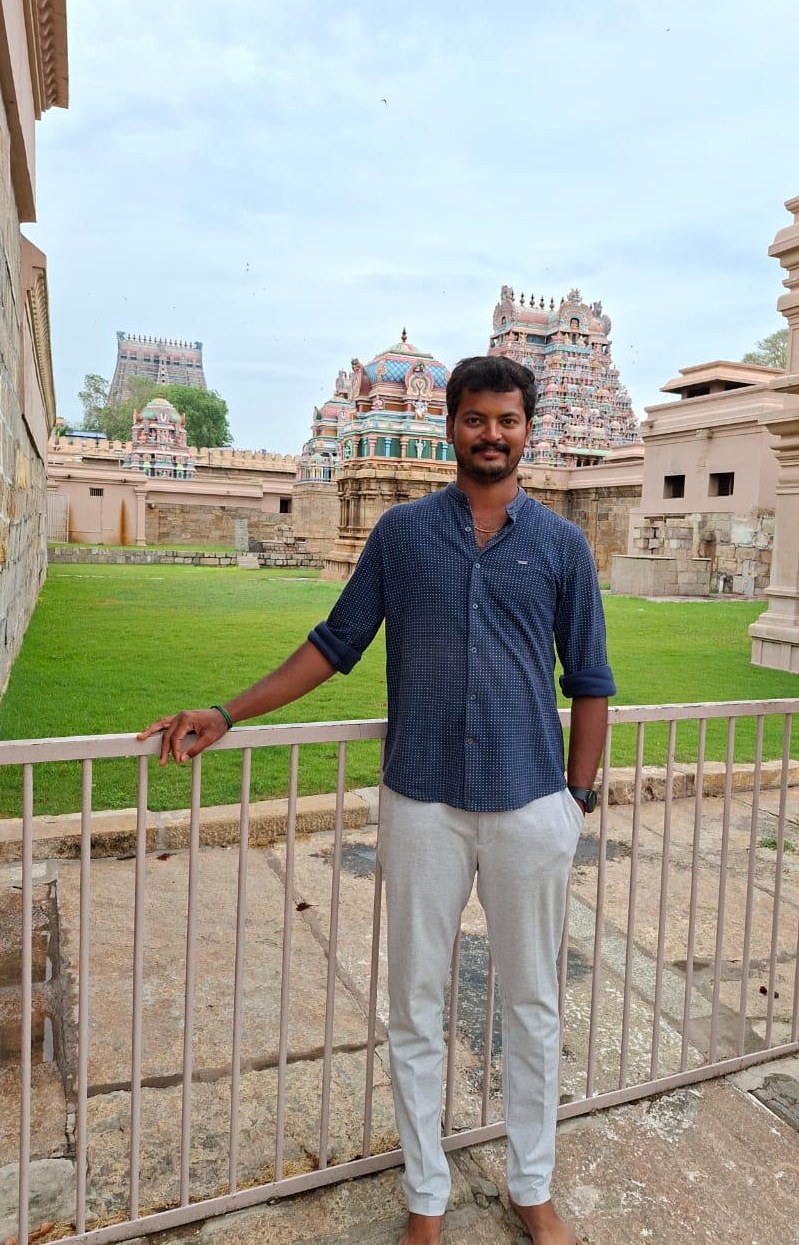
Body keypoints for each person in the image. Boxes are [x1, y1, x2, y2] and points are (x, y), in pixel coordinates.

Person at [139, 355, 615, 1245]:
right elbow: (335, 643)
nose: (491, 434)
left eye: (507, 420)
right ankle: (426, 1198)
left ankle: (533, 1187)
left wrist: (575, 799)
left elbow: (589, 678)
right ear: (450, 425)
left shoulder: (561, 546)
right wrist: (228, 712)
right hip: (423, 800)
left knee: (531, 1007)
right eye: (475, 419)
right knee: (417, 1004)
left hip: (528, 801)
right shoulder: (402, 535)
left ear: (528, 429)